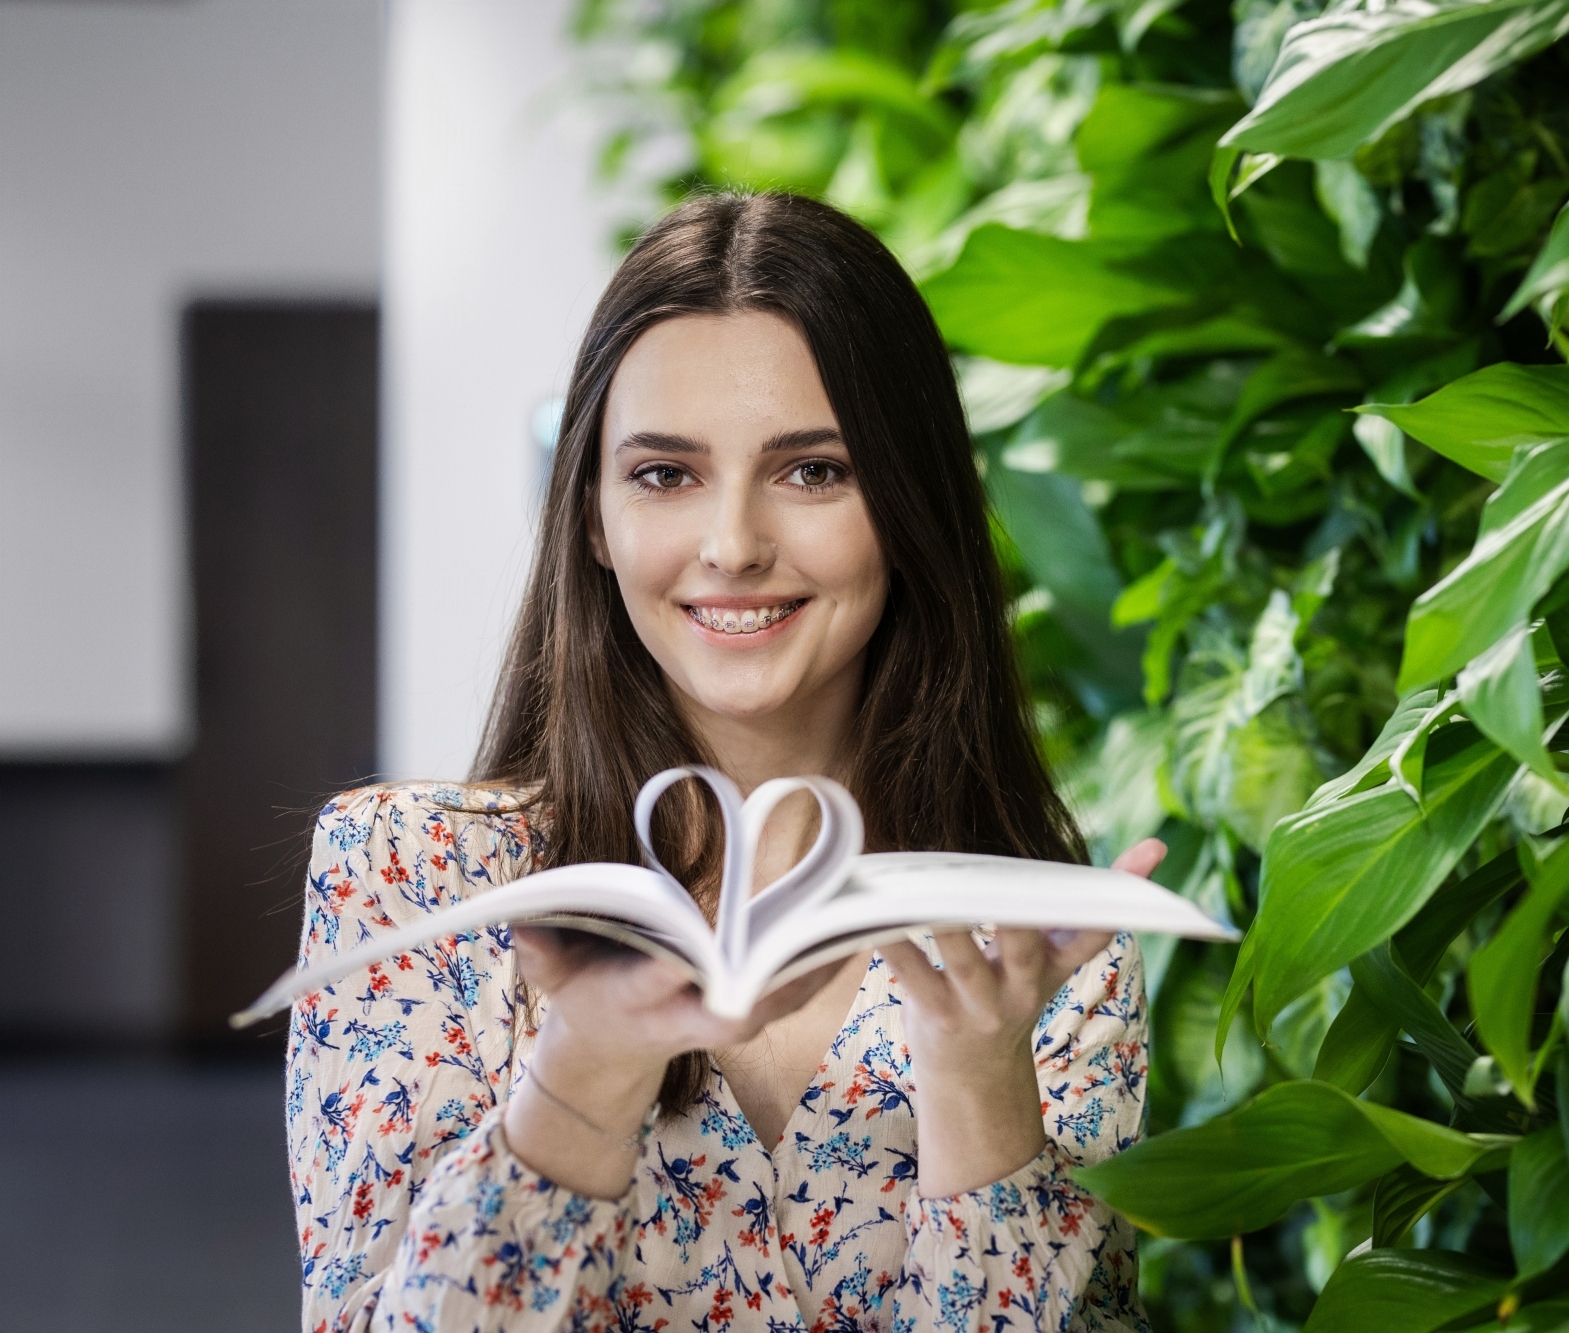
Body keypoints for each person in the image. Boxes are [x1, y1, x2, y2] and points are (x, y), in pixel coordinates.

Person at [286, 191, 1167, 1333]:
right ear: (593, 517)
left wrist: (976, 1087)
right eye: (665, 474)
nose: (734, 545)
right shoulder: (409, 876)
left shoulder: (1040, 957)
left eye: (813, 471)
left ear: (905, 506)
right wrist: (581, 1076)